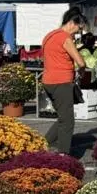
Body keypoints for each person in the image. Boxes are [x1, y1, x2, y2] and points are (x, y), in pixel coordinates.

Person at [41, 9, 87, 155]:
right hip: (61, 82)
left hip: (48, 80)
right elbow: (81, 62)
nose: (78, 32)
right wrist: (82, 71)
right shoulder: (65, 38)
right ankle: (63, 154)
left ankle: (41, 145)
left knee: (63, 118)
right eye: (79, 28)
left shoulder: (49, 35)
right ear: (72, 23)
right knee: (68, 121)